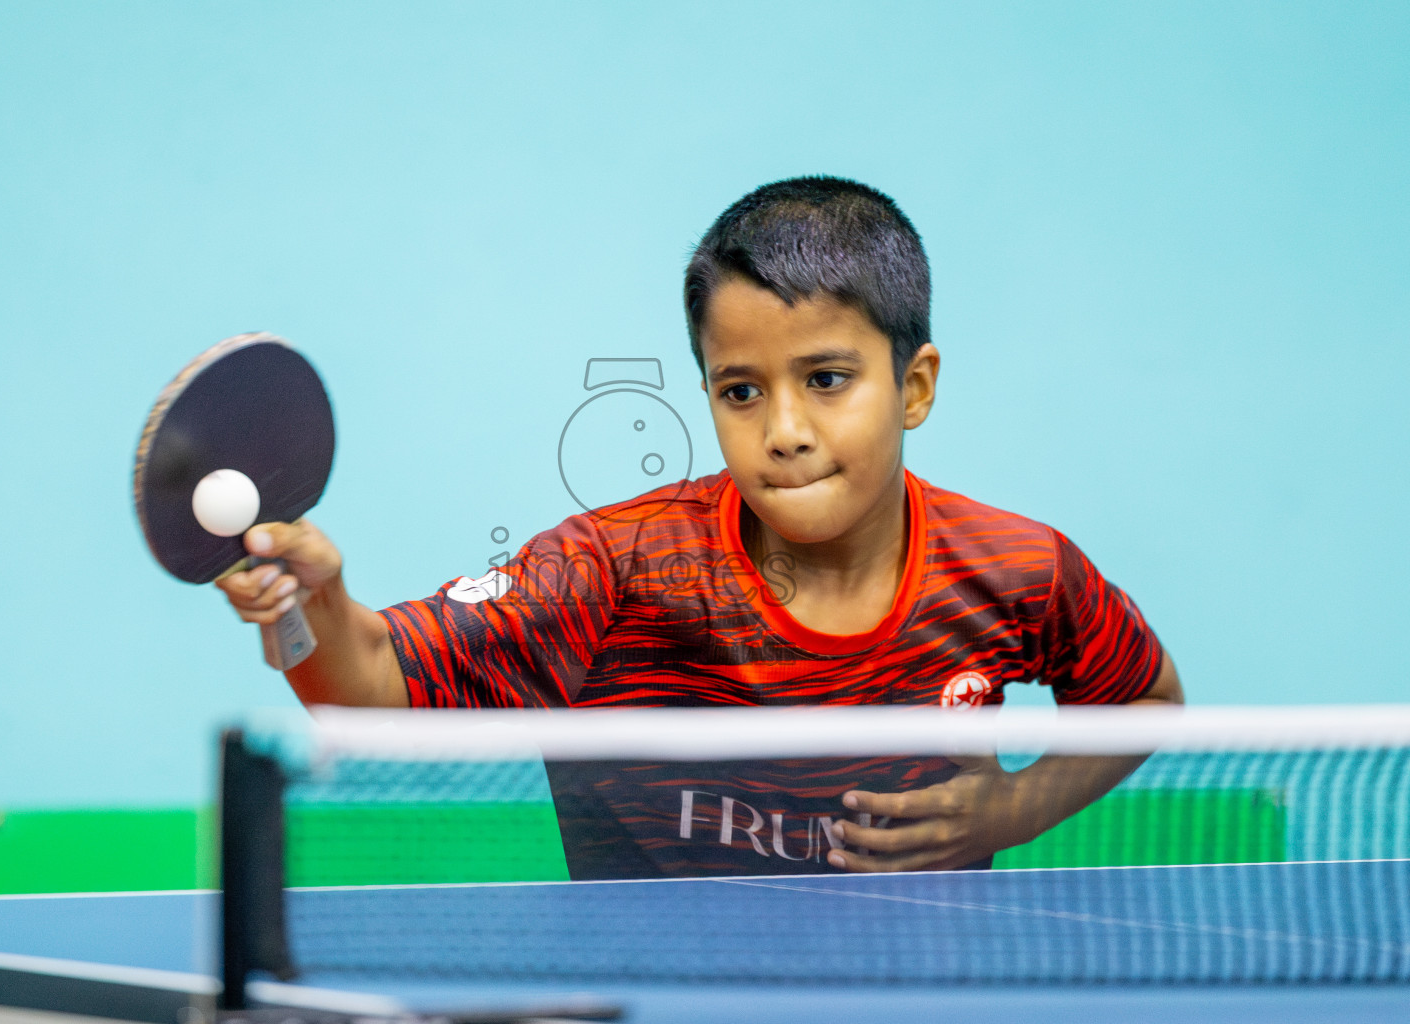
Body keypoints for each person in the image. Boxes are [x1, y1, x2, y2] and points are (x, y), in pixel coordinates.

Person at [218, 176, 1184, 878]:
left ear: (915, 386)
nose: (786, 432)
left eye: (828, 380)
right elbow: (377, 691)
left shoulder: (1016, 571)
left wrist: (1013, 807)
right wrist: (316, 609)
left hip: (916, 982)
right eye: (741, 391)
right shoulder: (614, 572)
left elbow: (1147, 700)